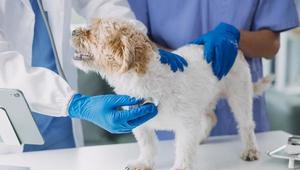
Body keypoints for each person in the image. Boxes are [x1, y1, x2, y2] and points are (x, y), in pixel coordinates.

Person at [0, 0, 186, 152]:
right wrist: (74, 104)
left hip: (62, 129)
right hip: (8, 128)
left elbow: (103, 3)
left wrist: (136, 43)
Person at [128, 0, 300, 139]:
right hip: (171, 115)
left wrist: (235, 36)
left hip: (236, 127)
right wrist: (186, 62)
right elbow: (133, 38)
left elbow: (271, 44)